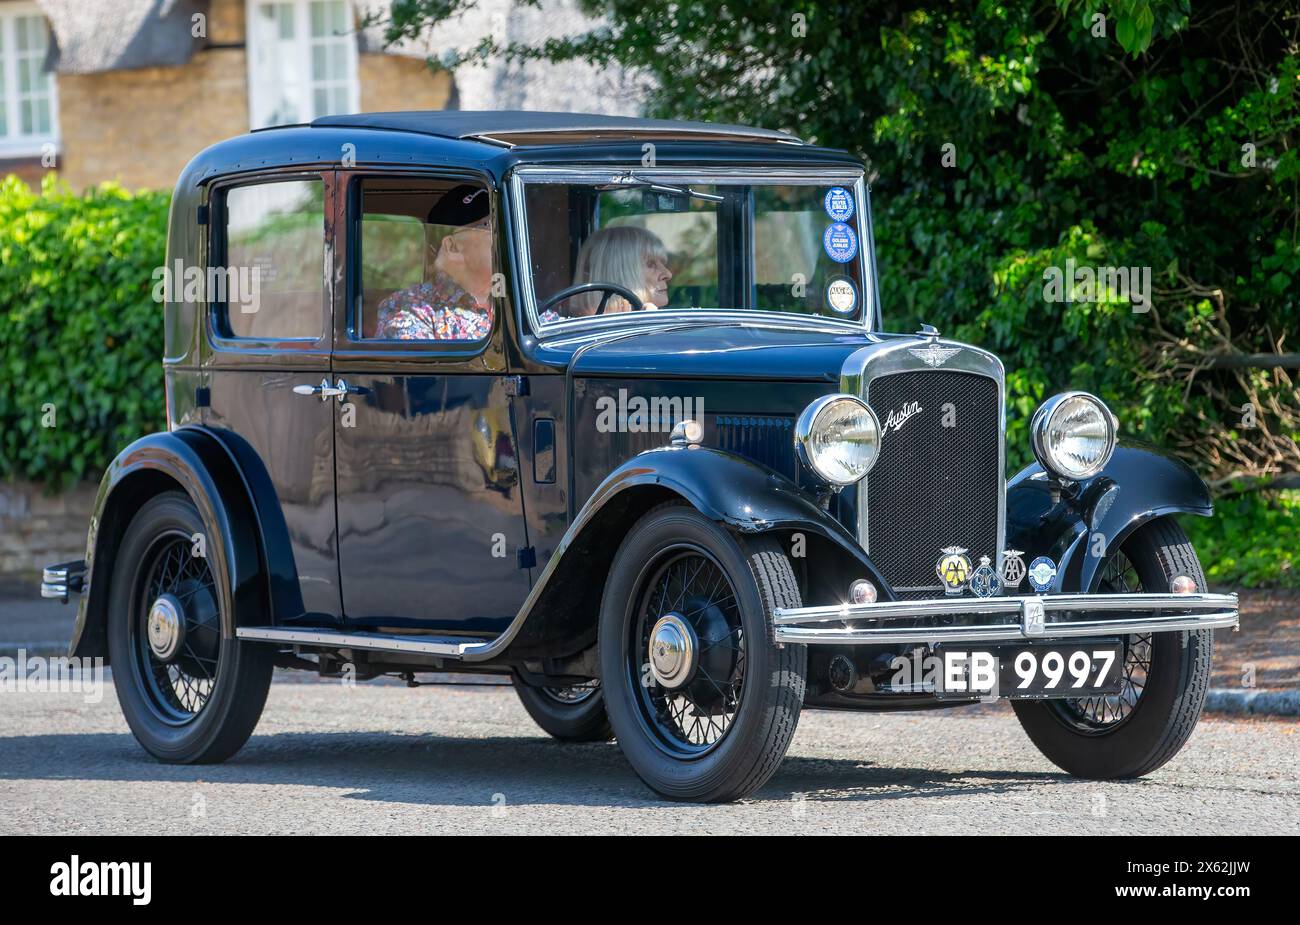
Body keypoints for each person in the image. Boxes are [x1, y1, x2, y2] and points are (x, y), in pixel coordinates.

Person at [376, 185, 494, 340]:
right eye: (486, 225)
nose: (503, 234)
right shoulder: (407, 309)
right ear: (452, 247)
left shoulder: (522, 302)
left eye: (502, 223)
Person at [540, 225, 673, 322]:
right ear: (617, 272)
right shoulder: (554, 330)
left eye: (663, 264)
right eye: (651, 264)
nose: (668, 274)